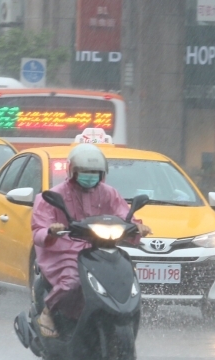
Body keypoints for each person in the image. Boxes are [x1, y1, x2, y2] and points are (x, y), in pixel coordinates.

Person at [30, 144, 152, 337]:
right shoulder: (52, 196)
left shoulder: (109, 193)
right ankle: (48, 311)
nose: (90, 176)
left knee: (123, 279)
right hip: (65, 251)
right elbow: (38, 231)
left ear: (102, 173)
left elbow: (123, 214)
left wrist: (138, 227)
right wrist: (51, 231)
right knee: (73, 281)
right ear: (72, 171)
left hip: (100, 249)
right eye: (84, 172)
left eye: (95, 172)